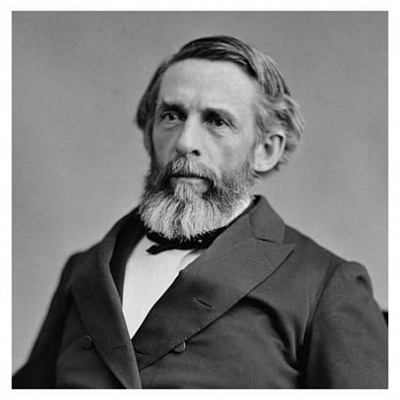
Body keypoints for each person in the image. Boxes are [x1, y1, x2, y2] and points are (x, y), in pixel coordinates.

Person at [12, 35, 387, 389]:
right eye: (171, 116)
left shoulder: (326, 287)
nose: (185, 142)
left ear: (266, 150)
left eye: (216, 121)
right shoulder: (84, 270)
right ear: (149, 134)